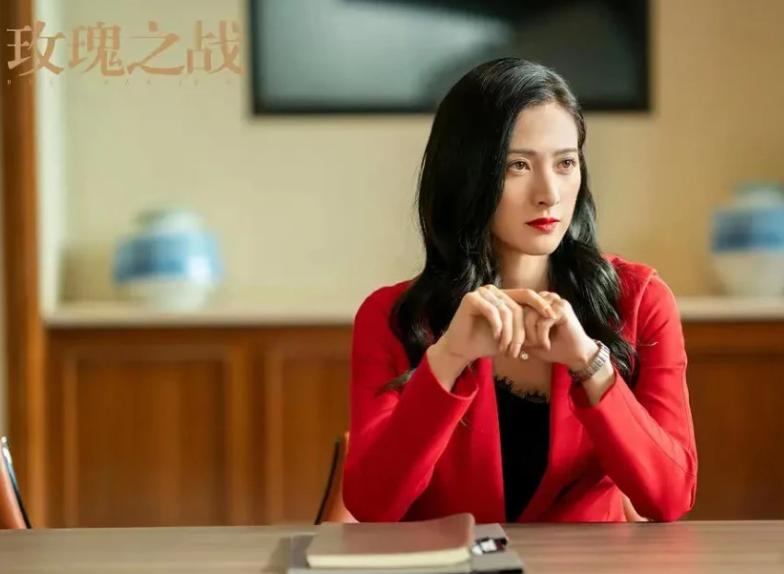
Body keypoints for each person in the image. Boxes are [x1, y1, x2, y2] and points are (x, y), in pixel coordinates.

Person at [344, 58, 697, 523]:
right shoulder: (391, 316)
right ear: (468, 176)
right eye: (517, 166)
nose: (548, 192)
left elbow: (670, 497)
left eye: (565, 163)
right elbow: (372, 505)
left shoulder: (640, 299)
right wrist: (447, 359)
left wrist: (589, 363)